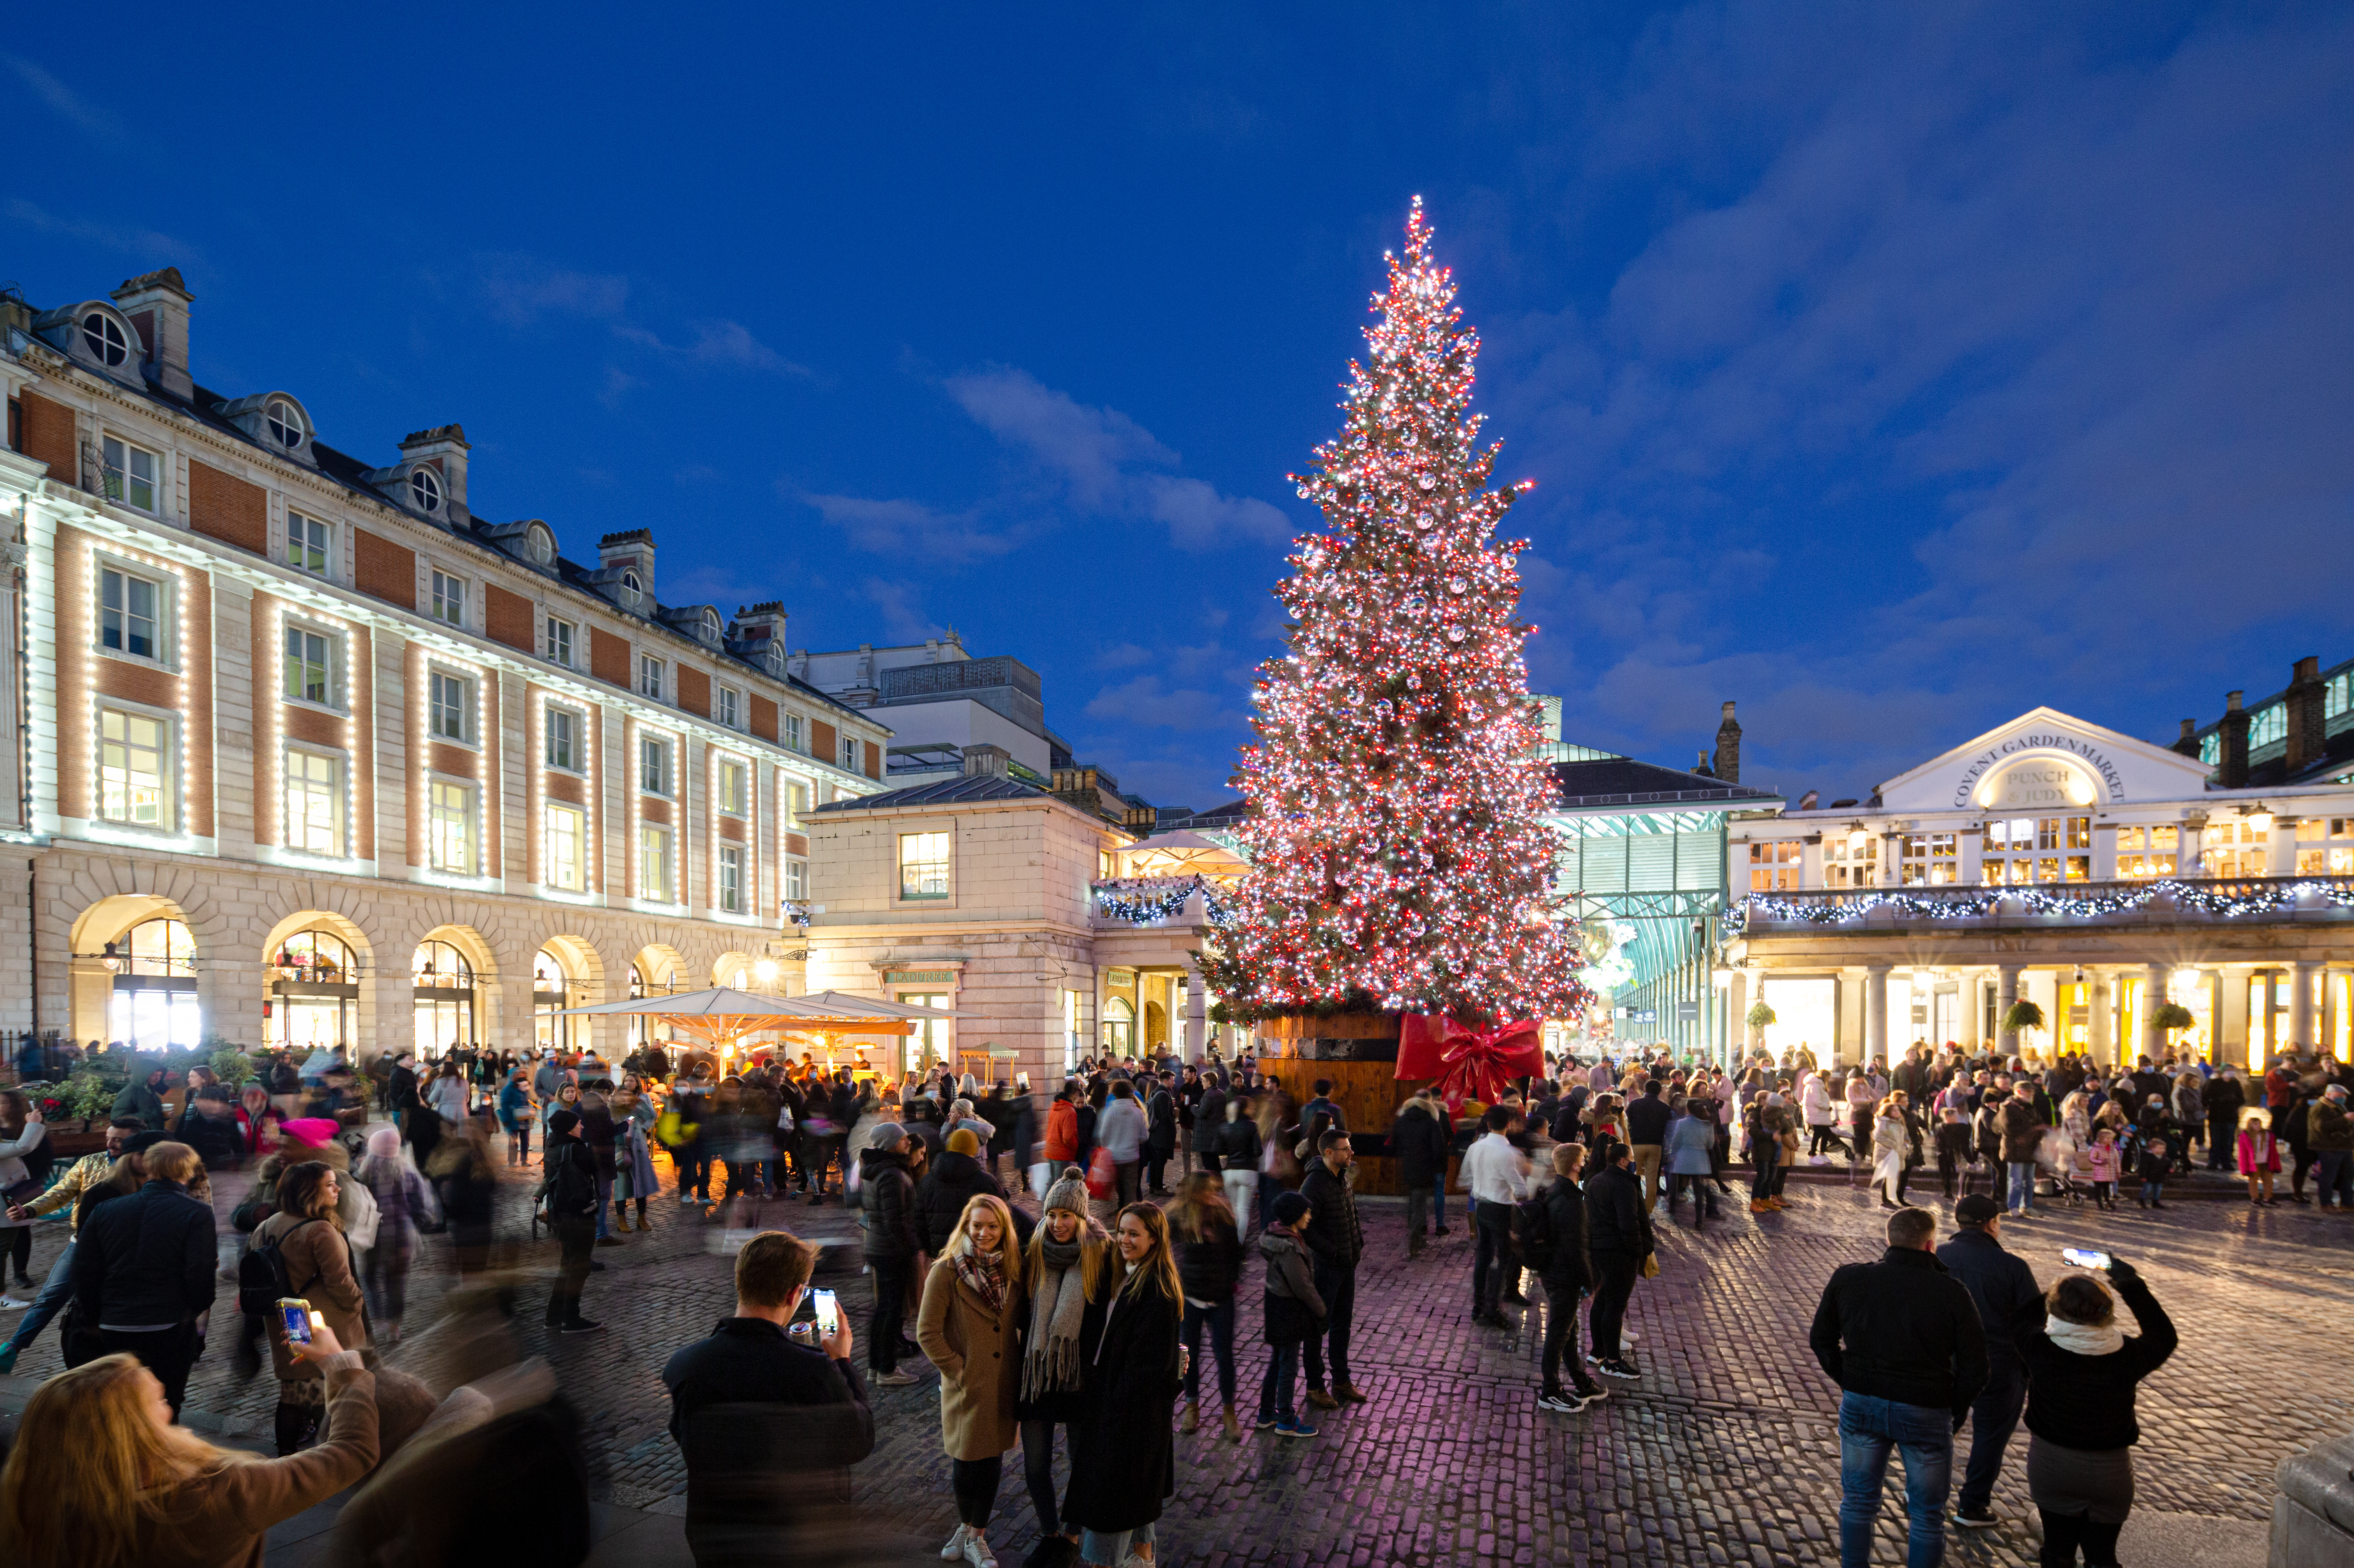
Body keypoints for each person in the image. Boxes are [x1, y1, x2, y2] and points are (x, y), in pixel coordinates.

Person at [0, 1322, 377, 1568]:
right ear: (134, 1434)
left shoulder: (34, 1510)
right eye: (160, 1403)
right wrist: (340, 1364)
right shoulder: (215, 1494)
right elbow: (352, 1451)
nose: (170, 1410)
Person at [662, 1229, 875, 1566]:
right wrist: (841, 1361)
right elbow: (858, 1439)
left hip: (715, 1535)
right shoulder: (813, 1372)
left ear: (740, 1280)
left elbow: (688, 1437)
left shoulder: (685, 1365)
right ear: (795, 1294)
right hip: (791, 1539)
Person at [1809, 1206, 1989, 1568]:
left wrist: (1850, 1379)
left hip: (1862, 1402)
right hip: (1925, 1409)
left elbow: (1821, 1339)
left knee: (1858, 1500)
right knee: (1926, 1514)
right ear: (1930, 1245)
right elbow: (1976, 1369)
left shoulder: (1850, 1278)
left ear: (1888, 1239)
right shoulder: (1952, 1293)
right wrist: (1949, 1406)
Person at [2016, 1255, 2177, 1568]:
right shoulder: (2129, 1355)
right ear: (2108, 1313)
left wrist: (2060, 1287)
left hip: (2052, 1465)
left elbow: (2021, 1318)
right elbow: (2163, 1334)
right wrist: (2129, 1283)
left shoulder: (2038, 1347)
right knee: (2102, 1556)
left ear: (2055, 1310)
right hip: (2110, 1469)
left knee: (2057, 1552)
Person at [1062, 1203, 1185, 1568]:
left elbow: (1145, 1369)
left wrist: (1113, 1410)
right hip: (1113, 1401)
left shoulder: (1156, 1291)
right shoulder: (1127, 1273)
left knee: (1111, 1500)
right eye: (1122, 1231)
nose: (1124, 1240)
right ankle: (1143, 1556)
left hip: (1127, 1413)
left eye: (1134, 1234)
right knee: (1132, 1491)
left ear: (1154, 1239)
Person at [66, 1140, 216, 1420]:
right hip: (168, 1322)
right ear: (187, 1170)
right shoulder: (197, 1212)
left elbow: (85, 1268)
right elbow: (201, 1270)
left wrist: (94, 1315)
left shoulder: (106, 1209)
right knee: (168, 1398)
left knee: (117, 1398)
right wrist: (193, 1311)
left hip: (114, 1322)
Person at [920, 1195, 1027, 1568]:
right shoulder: (946, 1272)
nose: (983, 1233)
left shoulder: (1014, 1269)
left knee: (992, 1460)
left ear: (1003, 1230)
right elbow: (927, 1332)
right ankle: (965, 1530)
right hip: (966, 1386)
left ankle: (976, 1536)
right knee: (965, 1461)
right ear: (965, 1226)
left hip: (1002, 1382)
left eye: (992, 1226)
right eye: (977, 1225)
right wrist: (958, 1370)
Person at [1015, 1167, 1107, 1568]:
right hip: (1036, 1376)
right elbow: (1020, 1314)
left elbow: (1105, 1322)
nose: (1057, 1224)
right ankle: (1050, 1531)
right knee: (1035, 1466)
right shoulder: (1033, 1253)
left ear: (1081, 1216)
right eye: (1052, 1215)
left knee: (1079, 1462)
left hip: (1078, 1379)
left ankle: (1071, 1534)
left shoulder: (1099, 1258)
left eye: (1066, 1216)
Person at [1936, 1195, 2045, 1530]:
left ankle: (1926, 1491)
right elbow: (2034, 1321)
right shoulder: (2012, 1266)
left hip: (1946, 1359)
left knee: (1940, 1428)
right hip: (1999, 1362)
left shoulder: (1936, 1255)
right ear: (1992, 1223)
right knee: (1990, 1435)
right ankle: (1972, 1505)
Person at [251, 1159, 371, 1453]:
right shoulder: (320, 1229)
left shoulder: (267, 1226)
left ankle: (285, 1456)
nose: (338, 1189)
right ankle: (328, 1458)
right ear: (309, 1191)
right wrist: (357, 1305)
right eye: (330, 1184)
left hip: (288, 1316)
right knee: (327, 1388)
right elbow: (341, 1282)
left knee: (294, 1392)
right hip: (324, 1322)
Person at [1169, 1171, 1244, 1442]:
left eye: (1212, 1191)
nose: (1210, 1196)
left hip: (1221, 1298)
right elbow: (1159, 1241)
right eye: (1205, 1191)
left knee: (1224, 1355)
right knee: (1188, 1354)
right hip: (1190, 1297)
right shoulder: (1179, 1217)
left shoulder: (1223, 1215)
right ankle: (1192, 1406)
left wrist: (1231, 1280)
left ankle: (1229, 1412)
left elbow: (1238, 1252)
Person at [1534, 1143, 1605, 1414]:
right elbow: (1577, 1248)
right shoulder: (1573, 1201)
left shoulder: (1555, 1191)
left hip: (1553, 1271)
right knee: (1558, 1332)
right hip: (1564, 1275)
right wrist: (1589, 1284)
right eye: (1583, 1159)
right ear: (1575, 1166)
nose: (1586, 1162)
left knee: (1568, 1329)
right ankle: (1550, 1390)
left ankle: (1580, 1380)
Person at [1296, 1129, 1366, 1408]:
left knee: (1342, 1326)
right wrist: (1333, 1251)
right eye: (1345, 1149)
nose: (1351, 1152)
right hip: (1327, 1268)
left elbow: (1352, 1213)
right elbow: (1305, 1227)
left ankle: (1341, 1380)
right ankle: (1315, 1386)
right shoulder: (1313, 1184)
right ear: (1328, 1152)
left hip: (1347, 1264)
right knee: (1317, 1328)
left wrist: (1357, 1244)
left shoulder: (1343, 1177)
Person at [354, 1126, 439, 1344]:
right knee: (396, 1283)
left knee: (370, 1279)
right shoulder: (409, 1172)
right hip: (401, 1237)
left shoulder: (362, 1173)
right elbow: (423, 1207)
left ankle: (378, 1319)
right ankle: (394, 1327)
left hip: (370, 1238)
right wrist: (421, 1222)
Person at [1254, 1189, 1325, 1439]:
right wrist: (1321, 1310)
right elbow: (1303, 1286)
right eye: (1305, 1211)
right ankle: (1286, 1419)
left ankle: (1266, 1414)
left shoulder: (1276, 1235)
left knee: (1278, 1361)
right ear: (1295, 1216)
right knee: (1289, 1366)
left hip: (1276, 1304)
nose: (1309, 1215)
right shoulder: (1289, 1247)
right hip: (1288, 1309)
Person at [859, 1121, 923, 1387]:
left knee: (883, 1309)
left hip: (880, 1247)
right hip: (890, 1250)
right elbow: (895, 1220)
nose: (908, 1142)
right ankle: (886, 1369)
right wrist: (911, 1249)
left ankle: (877, 1366)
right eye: (903, 1139)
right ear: (890, 1143)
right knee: (889, 1310)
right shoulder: (891, 1174)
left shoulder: (882, 1169)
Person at [1584, 1140, 1651, 1381]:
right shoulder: (1623, 1185)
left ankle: (1598, 1352)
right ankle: (1612, 1361)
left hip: (1600, 1249)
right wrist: (1637, 1251)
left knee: (1602, 1300)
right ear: (1623, 1161)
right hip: (1619, 1252)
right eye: (1631, 1157)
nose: (1633, 1161)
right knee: (1615, 1306)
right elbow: (1629, 1222)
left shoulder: (1595, 1181)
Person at [537, 1107, 604, 1335]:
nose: (582, 1126)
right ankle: (571, 1319)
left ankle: (553, 1317)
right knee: (579, 1268)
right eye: (578, 1124)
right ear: (569, 1128)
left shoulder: (551, 1149)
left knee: (567, 1265)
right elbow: (598, 1170)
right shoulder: (577, 1150)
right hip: (580, 1216)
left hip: (561, 1217)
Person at [1462, 1105, 1529, 1327]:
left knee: (1483, 1257)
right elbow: (1520, 1189)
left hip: (1482, 1206)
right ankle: (1492, 1308)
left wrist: (1482, 1184)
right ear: (1508, 1125)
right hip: (1501, 1209)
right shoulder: (1509, 1153)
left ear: (1489, 1124)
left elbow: (1465, 1180)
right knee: (1503, 1259)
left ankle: (1478, 1305)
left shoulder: (1475, 1148)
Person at [1392, 1087, 1451, 1253]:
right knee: (1419, 1203)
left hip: (1409, 1167)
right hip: (1425, 1168)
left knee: (1413, 1202)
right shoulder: (1431, 1123)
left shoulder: (1401, 1121)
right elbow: (1439, 1149)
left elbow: (1394, 1143)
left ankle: (1416, 1235)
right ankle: (1415, 1239)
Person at [1663, 1097, 1719, 1226]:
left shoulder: (1682, 1123)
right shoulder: (1708, 1124)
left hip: (1683, 1156)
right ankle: (1699, 1220)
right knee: (1698, 1190)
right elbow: (1711, 1144)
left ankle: (1672, 1207)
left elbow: (1676, 1141)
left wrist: (1674, 1153)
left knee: (1675, 1179)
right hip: (1700, 1158)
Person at [1211, 1097, 1261, 1237]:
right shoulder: (1252, 1126)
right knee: (1243, 1210)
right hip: (1248, 1171)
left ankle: (1232, 1242)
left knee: (1234, 1210)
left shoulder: (1223, 1126)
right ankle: (1239, 1244)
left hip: (1229, 1171)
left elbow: (1217, 1149)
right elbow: (1258, 1151)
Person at [1093, 1080, 1148, 1208]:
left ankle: (1121, 1209)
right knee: (1131, 1190)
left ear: (1115, 1094)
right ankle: (1129, 1213)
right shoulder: (1138, 1112)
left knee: (1119, 1188)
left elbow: (1104, 1136)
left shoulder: (1111, 1112)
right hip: (1132, 1156)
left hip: (1115, 1156)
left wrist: (1110, 1145)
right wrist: (1134, 1143)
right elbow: (1144, 1136)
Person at [1624, 1079, 1670, 1210]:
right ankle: (1648, 1209)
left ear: (1645, 1090)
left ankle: (1634, 1205)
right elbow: (1669, 1129)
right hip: (1656, 1145)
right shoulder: (1665, 1108)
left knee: (1634, 1175)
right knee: (1652, 1179)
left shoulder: (1635, 1104)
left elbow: (1628, 1121)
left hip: (1636, 1144)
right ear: (1660, 1092)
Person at [2309, 1083, 2353, 1210]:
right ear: (2329, 1095)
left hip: (2343, 1146)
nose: (2343, 1098)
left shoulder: (2338, 1106)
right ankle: (2326, 1203)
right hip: (2329, 1147)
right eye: (2339, 1095)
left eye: (2344, 1095)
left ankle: (2347, 1202)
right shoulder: (2321, 1108)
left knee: (2347, 1175)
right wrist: (2345, 1119)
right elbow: (2322, 1127)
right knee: (2329, 1176)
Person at [111, 1065, 170, 1131]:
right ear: (144, 1074)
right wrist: (149, 1116)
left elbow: (154, 1116)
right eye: (155, 1075)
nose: (158, 1078)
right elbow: (117, 1118)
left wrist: (163, 1115)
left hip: (154, 1137)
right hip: (139, 1138)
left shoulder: (151, 1092)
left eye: (160, 1075)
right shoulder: (130, 1092)